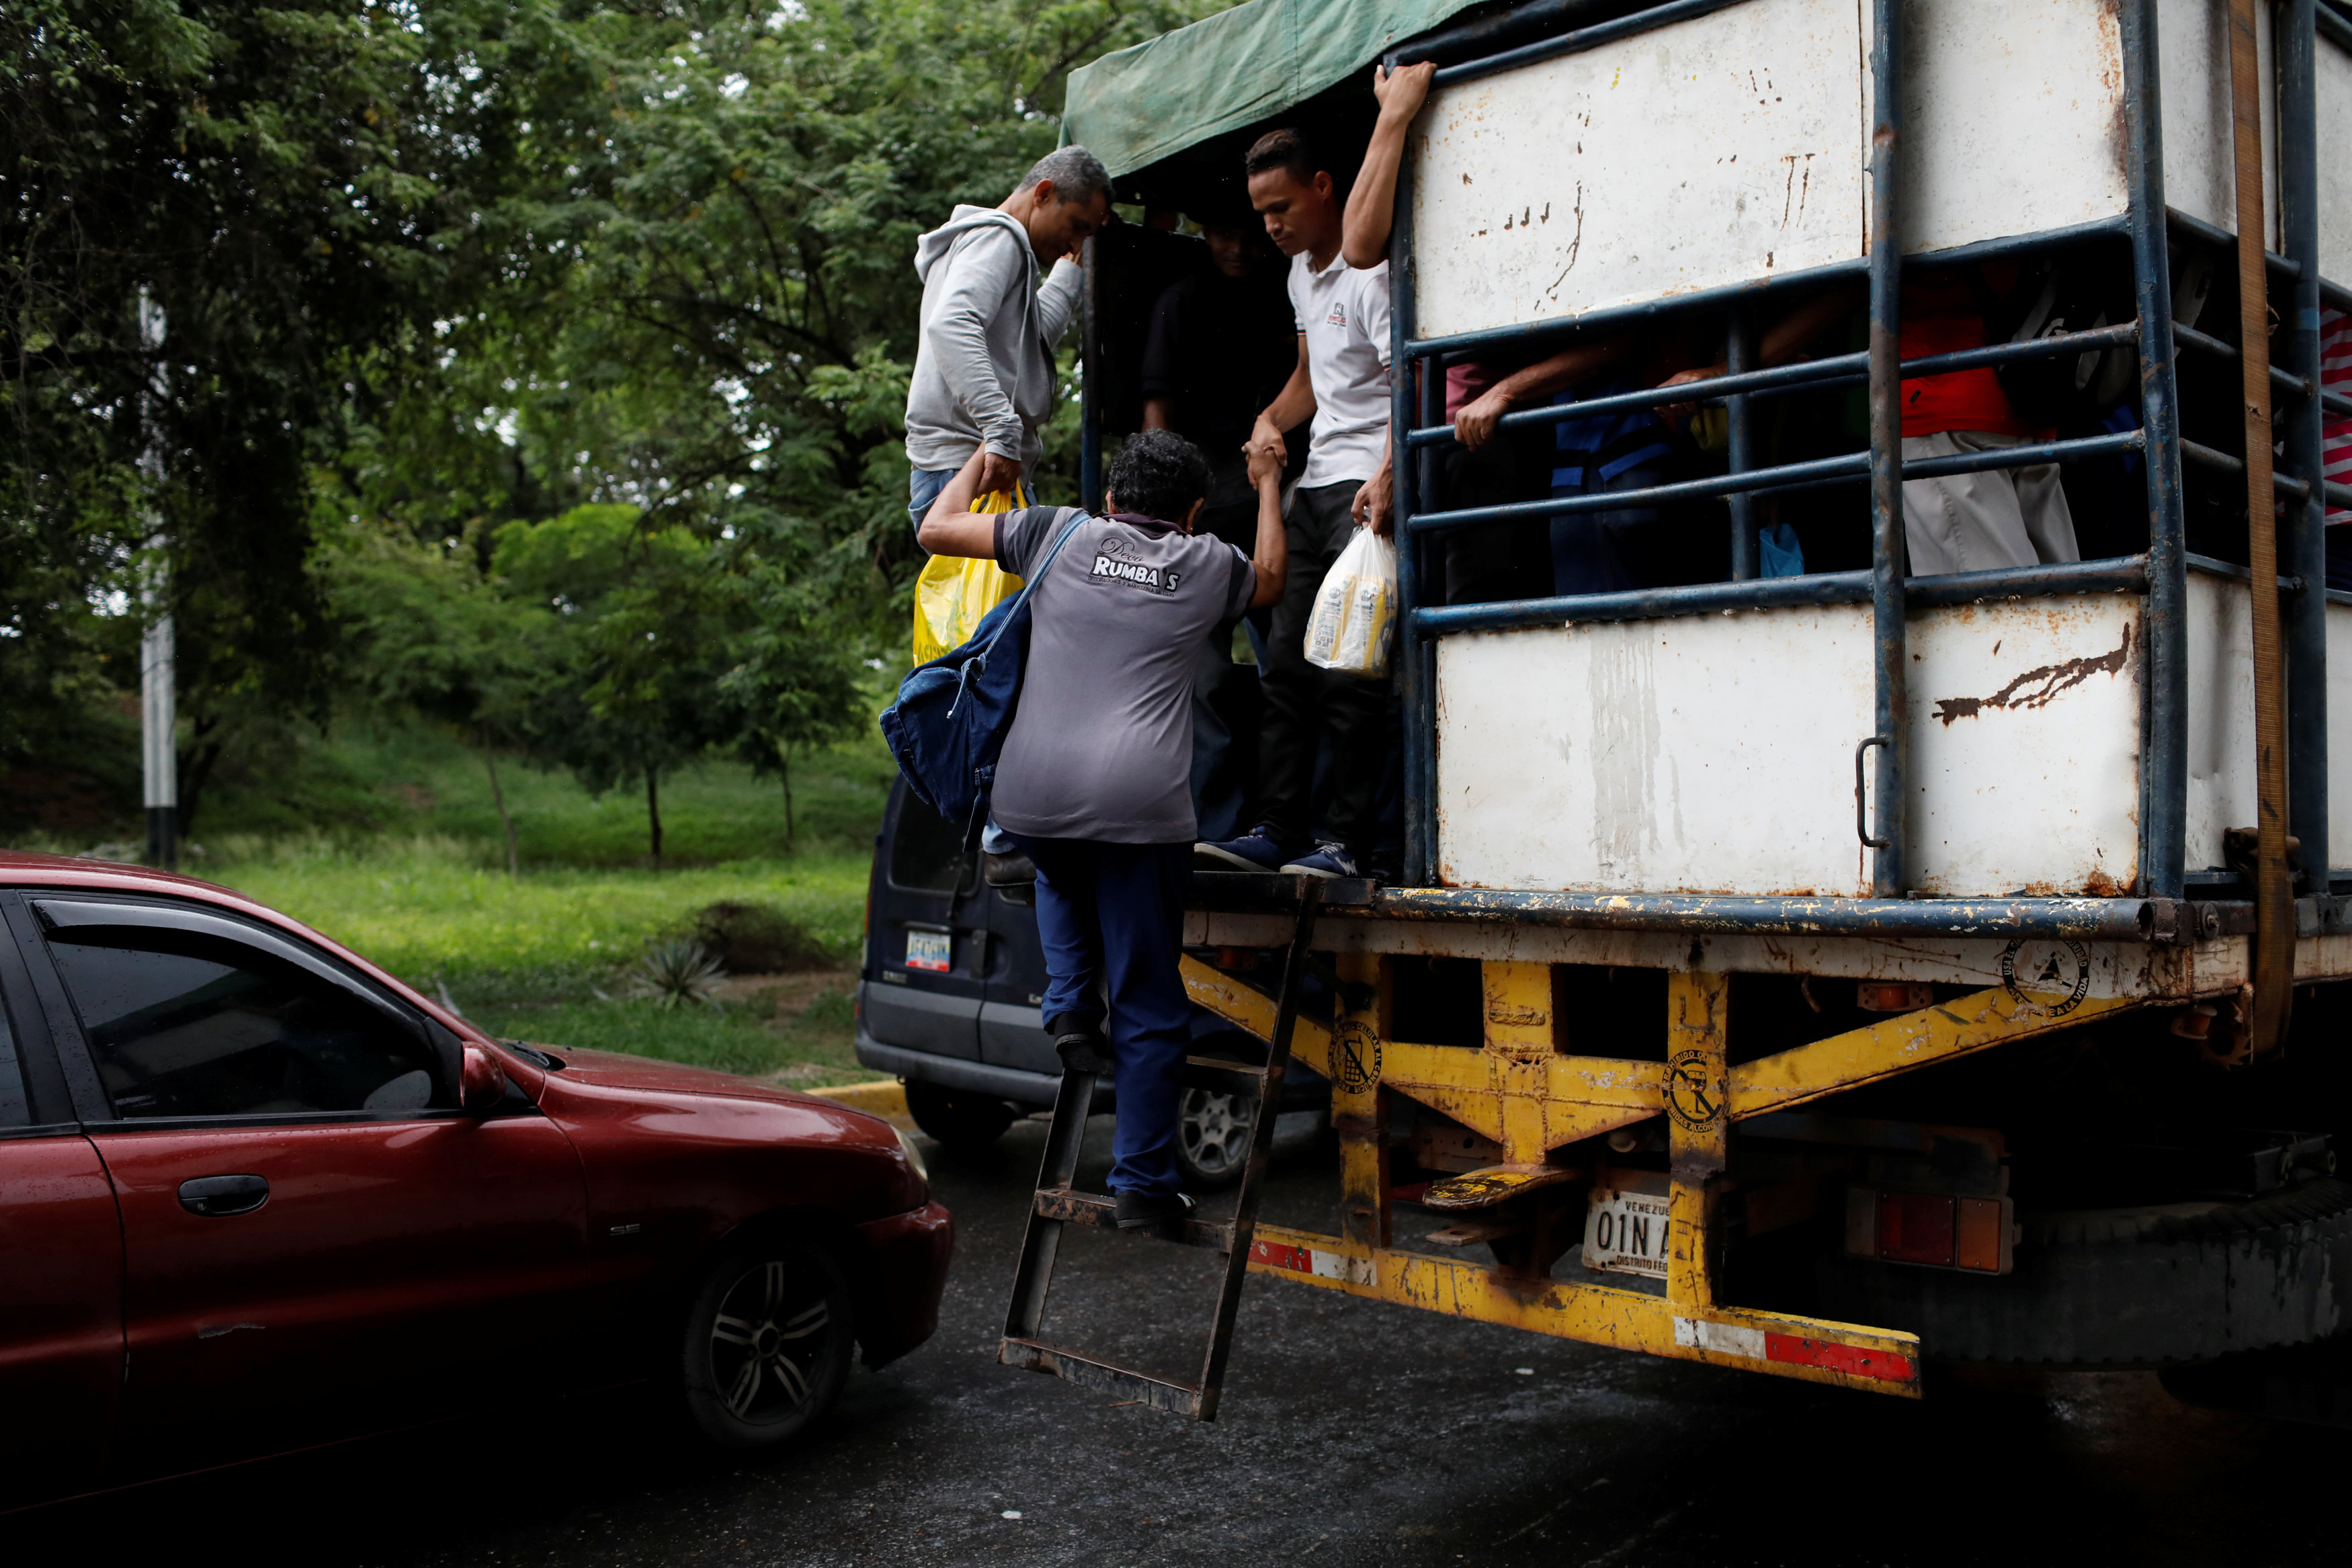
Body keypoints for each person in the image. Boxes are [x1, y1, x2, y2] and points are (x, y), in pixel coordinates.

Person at [917, 429, 1288, 1229]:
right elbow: (1269, 581)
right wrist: (1263, 485)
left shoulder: (1056, 531)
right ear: (1191, 514)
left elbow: (935, 531)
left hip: (1031, 800)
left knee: (1057, 863)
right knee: (1152, 1002)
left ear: (1112, 501)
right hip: (1138, 810)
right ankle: (1143, 1184)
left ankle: (1068, 1006)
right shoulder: (1208, 564)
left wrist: (982, 463)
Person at [1193, 127, 1395, 881]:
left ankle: (1342, 843)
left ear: (1322, 186)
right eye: (1259, 211)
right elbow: (1312, 379)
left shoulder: (1370, 273)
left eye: (1280, 207)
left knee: (1350, 673)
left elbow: (1404, 382)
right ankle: (1276, 829)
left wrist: (1385, 478)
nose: (1270, 225)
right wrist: (1268, 422)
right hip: (1311, 489)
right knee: (1284, 669)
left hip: (1360, 497)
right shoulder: (1300, 277)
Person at [1138, 210, 1298, 840]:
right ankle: (1208, 831)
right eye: (1224, 230)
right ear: (1204, 232)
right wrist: (1162, 516)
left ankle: (1280, 826)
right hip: (1197, 517)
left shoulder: (1287, 295)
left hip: (1270, 501)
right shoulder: (1180, 304)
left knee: (1287, 666)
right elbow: (1157, 412)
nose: (1237, 245)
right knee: (1199, 682)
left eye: (1249, 231)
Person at [903, 146, 1112, 540]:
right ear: (1044, 193)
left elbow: (1027, 350)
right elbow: (951, 325)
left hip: (964, 470)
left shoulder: (993, 246)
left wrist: (1069, 273)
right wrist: (1001, 431)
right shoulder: (1000, 238)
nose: (1075, 244)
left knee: (1002, 601)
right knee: (1029, 599)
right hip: (969, 468)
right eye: (1077, 225)